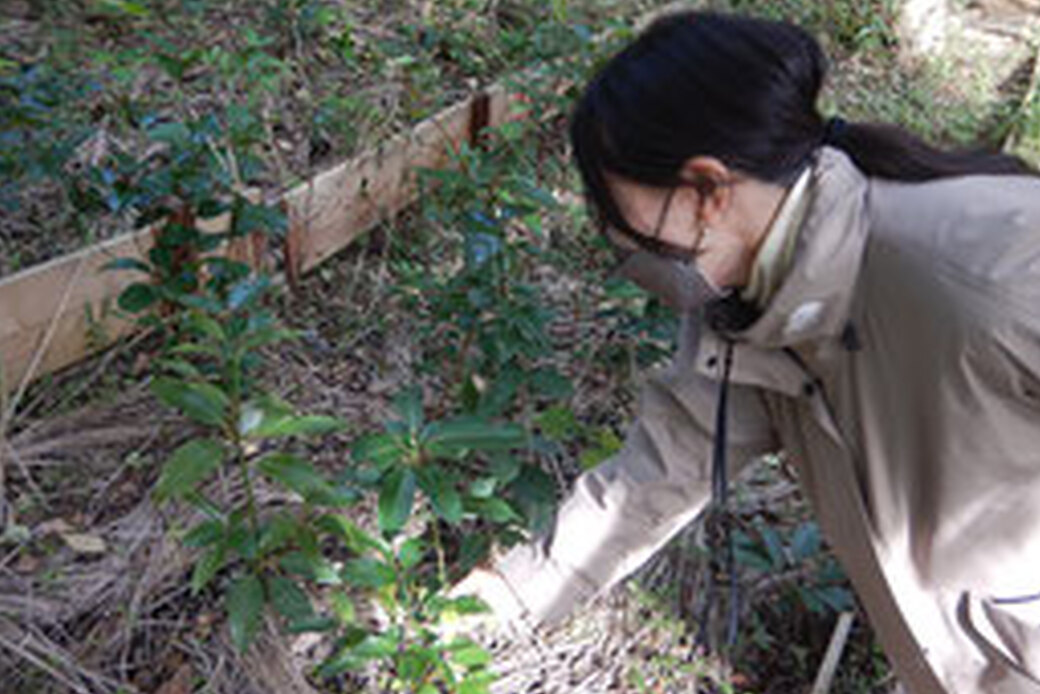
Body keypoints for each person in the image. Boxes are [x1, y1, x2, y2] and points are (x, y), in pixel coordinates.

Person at [452, 11, 1040, 694]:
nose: (617, 238)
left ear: (706, 188)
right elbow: (651, 479)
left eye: (621, 211)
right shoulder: (749, 309)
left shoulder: (992, 262)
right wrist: (498, 599)